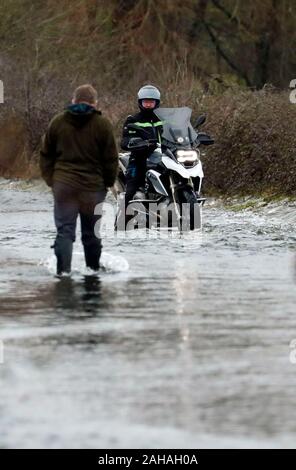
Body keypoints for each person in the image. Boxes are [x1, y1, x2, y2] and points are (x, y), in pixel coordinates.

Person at [40, 84, 118, 276]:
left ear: (73, 100)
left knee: (65, 231)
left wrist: (53, 181)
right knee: (91, 234)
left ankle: (63, 273)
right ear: (94, 102)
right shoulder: (103, 125)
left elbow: (45, 155)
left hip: (64, 185)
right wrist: (107, 184)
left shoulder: (58, 122)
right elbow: (111, 159)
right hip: (93, 189)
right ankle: (92, 272)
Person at [121, 85, 163, 207]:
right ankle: (121, 221)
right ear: (140, 103)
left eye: (151, 102)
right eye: (146, 103)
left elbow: (176, 132)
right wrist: (135, 142)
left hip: (162, 157)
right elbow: (125, 140)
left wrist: (192, 137)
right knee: (132, 188)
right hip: (140, 158)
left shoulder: (164, 119)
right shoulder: (133, 120)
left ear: (157, 103)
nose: (149, 105)